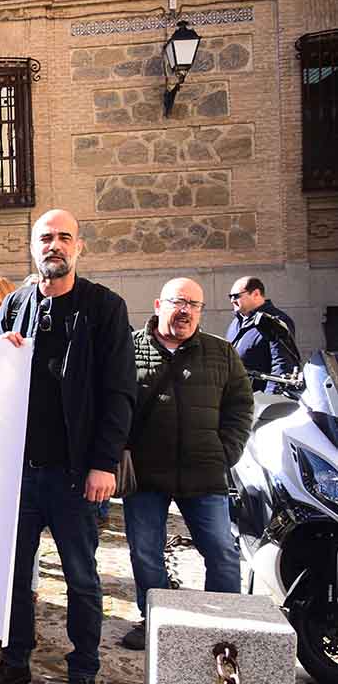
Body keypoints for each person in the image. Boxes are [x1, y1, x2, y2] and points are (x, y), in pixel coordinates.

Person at [0, 208, 136, 684]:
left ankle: (83, 673)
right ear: (32, 246)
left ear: (79, 247)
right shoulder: (16, 304)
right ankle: (15, 658)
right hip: (19, 473)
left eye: (64, 237)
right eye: (46, 237)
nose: (55, 245)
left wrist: (103, 463)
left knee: (82, 580)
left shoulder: (105, 308)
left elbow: (119, 393)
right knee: (13, 577)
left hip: (75, 475)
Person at [120, 278, 253, 651]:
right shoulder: (127, 349)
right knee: (145, 552)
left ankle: (223, 624)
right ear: (159, 304)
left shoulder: (221, 352)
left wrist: (226, 452)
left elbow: (241, 405)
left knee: (222, 551)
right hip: (146, 475)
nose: (186, 311)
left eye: (195, 305)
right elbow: (112, 405)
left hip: (204, 471)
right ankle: (155, 621)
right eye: (179, 302)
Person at [225, 276, 297, 393]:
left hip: (259, 399)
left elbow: (282, 364)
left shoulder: (276, 321)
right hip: (235, 396)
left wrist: (270, 400)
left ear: (256, 294)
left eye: (236, 296)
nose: (232, 300)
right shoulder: (236, 322)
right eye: (230, 296)